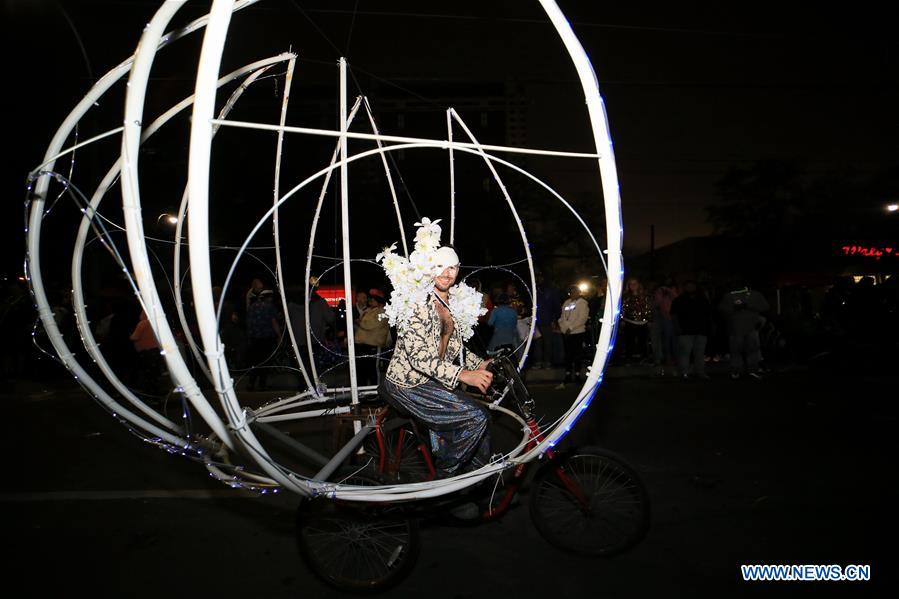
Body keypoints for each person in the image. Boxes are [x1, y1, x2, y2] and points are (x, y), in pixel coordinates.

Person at [381, 246, 493, 478]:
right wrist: (463, 375)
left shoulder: (453, 304)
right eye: (439, 266)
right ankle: (446, 479)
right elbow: (420, 358)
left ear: (458, 270)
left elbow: (453, 346)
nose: (446, 273)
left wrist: (479, 364)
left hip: (434, 381)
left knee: (483, 420)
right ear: (429, 269)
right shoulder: (416, 304)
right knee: (475, 417)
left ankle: (475, 480)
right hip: (407, 384)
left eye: (451, 267)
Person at [719, 283, 769, 379]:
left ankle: (753, 370)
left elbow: (765, 306)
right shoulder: (729, 295)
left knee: (753, 350)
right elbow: (722, 309)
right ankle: (736, 370)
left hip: (751, 328)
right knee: (736, 350)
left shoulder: (755, 294)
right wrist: (734, 308)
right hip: (735, 329)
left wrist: (749, 306)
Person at [670, 280, 712, 379]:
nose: (690, 288)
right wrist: (677, 327)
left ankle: (700, 372)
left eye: (692, 286)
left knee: (700, 353)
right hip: (685, 330)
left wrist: (708, 326)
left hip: (701, 330)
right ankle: (684, 372)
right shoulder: (679, 299)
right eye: (688, 286)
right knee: (685, 352)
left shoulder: (702, 299)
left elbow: (708, 313)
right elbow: (674, 315)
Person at [245, 289, 281, 390]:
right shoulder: (270, 307)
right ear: (269, 297)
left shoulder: (252, 307)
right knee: (266, 361)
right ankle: (262, 384)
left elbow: (248, 322)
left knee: (255, 361)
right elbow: (274, 322)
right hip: (266, 338)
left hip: (254, 338)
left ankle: (251, 383)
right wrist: (279, 335)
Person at [354, 288, 390, 386]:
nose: (370, 301)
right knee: (362, 370)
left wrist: (359, 322)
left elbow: (370, 325)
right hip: (362, 344)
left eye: (372, 300)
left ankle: (376, 391)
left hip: (373, 345)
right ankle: (363, 390)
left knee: (372, 369)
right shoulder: (369, 310)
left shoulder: (384, 312)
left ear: (378, 301)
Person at [556, 284, 589, 387]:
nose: (572, 294)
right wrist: (563, 328)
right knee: (568, 354)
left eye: (574, 291)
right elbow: (562, 317)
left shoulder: (583, 303)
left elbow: (582, 319)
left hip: (577, 332)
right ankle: (568, 374)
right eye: (570, 292)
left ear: (579, 292)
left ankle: (578, 374)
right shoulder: (566, 302)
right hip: (566, 333)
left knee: (577, 354)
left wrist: (571, 328)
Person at [129, 309, 163, 396]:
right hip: (156, 350)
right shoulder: (155, 323)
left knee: (148, 374)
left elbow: (135, 337)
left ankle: (150, 394)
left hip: (146, 352)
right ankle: (157, 392)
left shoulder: (143, 323)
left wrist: (130, 335)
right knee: (155, 373)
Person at [620, 277, 651, 363]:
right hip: (630, 322)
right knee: (629, 342)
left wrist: (649, 320)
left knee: (643, 341)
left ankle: (644, 358)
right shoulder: (625, 296)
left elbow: (648, 308)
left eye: (635, 283)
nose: (633, 285)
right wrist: (622, 319)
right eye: (631, 284)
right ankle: (629, 358)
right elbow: (622, 309)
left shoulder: (644, 296)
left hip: (643, 322)